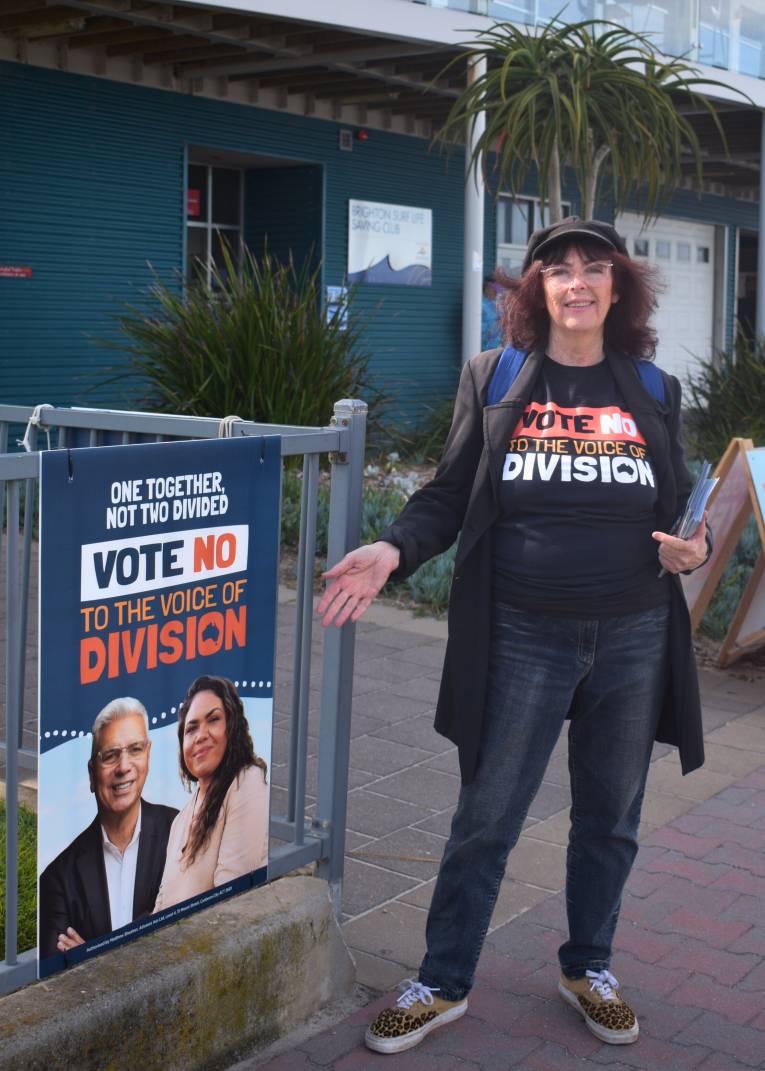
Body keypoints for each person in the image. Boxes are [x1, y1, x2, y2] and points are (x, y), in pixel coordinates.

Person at [318, 217, 711, 1054]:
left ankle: (588, 964)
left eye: (593, 268)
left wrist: (695, 546)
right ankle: (443, 977)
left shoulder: (650, 386)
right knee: (487, 814)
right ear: (534, 288)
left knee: (610, 815)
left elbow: (680, 506)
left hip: (634, 631)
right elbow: (448, 490)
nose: (576, 281)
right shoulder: (496, 378)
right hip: (522, 633)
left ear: (617, 286)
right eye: (556, 268)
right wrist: (392, 545)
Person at [39, 698, 177, 959]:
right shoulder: (57, 878)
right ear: (92, 774)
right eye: (110, 756)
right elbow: (56, 965)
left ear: (148, 756)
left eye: (135, 749)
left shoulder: (180, 831)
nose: (124, 767)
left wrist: (93, 952)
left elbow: (188, 917)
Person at [153, 675, 269, 912]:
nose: (200, 735)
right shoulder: (179, 822)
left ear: (232, 727)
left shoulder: (247, 781)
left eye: (213, 720)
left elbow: (229, 899)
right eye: (191, 729)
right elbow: (161, 909)